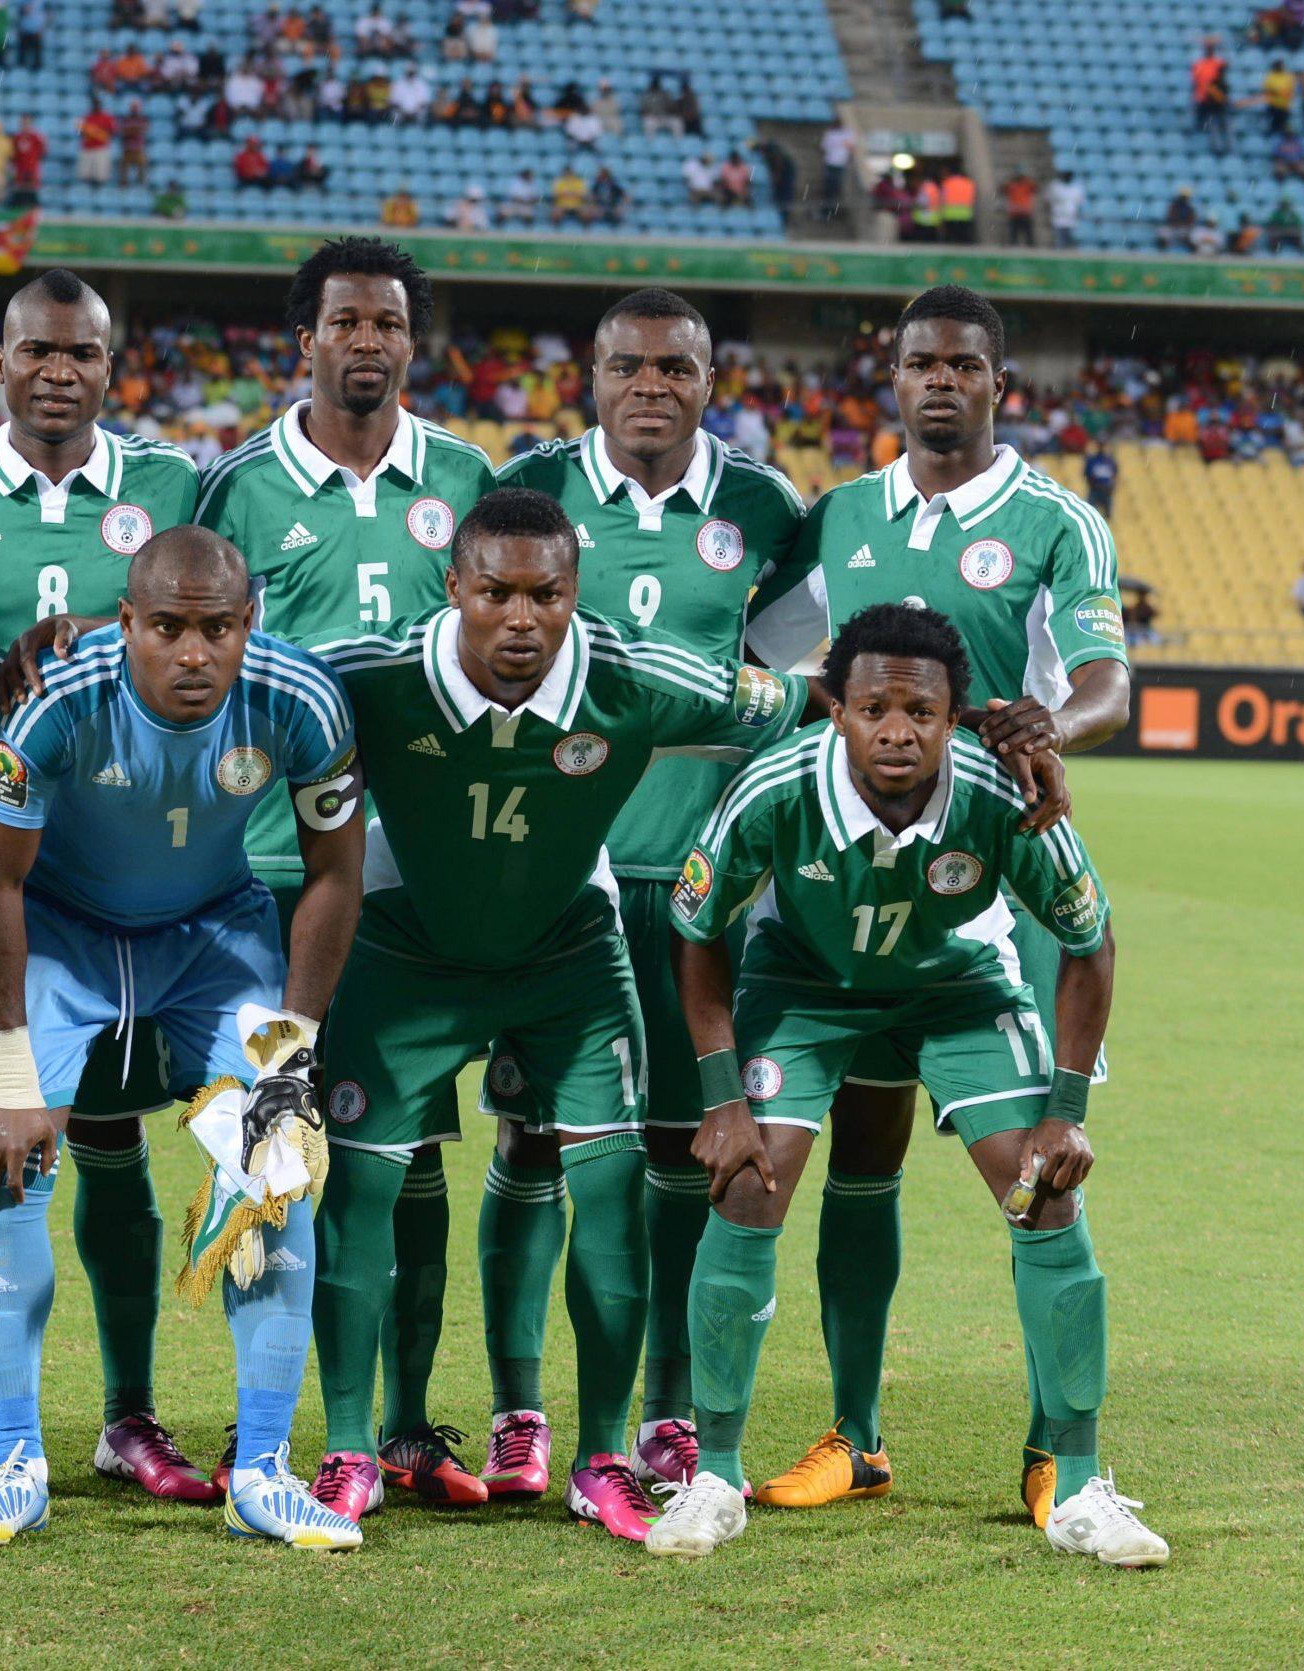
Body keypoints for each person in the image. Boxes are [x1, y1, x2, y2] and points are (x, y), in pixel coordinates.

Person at [306, 489, 811, 1539]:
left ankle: (598, 1458)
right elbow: (237, 673)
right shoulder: (367, 671)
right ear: (453, 588)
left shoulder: (635, 676)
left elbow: (801, 701)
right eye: (495, 592)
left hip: (569, 961)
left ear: (576, 595)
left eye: (547, 595)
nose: (521, 618)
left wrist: (970, 715)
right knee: (354, 1198)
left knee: (613, 1190)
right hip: (406, 953)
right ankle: (348, 1446)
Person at [643, 603, 1163, 1572]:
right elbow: (697, 927)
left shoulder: (1003, 793)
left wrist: (1066, 1111)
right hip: (801, 982)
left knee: (1048, 1196)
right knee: (751, 1184)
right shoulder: (772, 787)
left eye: (920, 712)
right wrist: (721, 1094)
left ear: (955, 717)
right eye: (872, 707)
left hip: (956, 984)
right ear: (833, 709)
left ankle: (1082, 1484)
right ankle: (711, 1476)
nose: (895, 730)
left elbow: (1090, 945)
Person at [743, 285, 1128, 1524]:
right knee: (860, 1163)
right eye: (920, 362)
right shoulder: (841, 515)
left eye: (965, 363)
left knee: (1034, 1177)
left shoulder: (1056, 523)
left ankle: (1050, 1452)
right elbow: (758, 645)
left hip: (989, 888)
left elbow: (1110, 680)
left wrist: (1048, 725)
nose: (941, 381)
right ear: (891, 380)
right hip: (847, 897)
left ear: (999, 385)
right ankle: (853, 1436)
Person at [0, 527, 369, 1549]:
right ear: (126, 624)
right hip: (60, 935)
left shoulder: (299, 699)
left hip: (215, 938)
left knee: (278, 1166)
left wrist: (293, 1053)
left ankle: (263, 1470)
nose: (194, 653)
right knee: (10, 1165)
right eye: (169, 628)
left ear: (247, 625)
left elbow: (333, 876)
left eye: (217, 629)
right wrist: (10, 1072)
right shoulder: (55, 702)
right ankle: (15, 1462)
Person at [478, 290, 807, 1508]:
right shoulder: (527, 490)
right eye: (629, 365)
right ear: (592, 376)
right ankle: (519, 1410)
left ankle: (666, 1410)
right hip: (559, 882)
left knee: (684, 1149)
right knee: (531, 1145)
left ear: (710, 380)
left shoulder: (766, 509)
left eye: (677, 367)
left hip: (702, 890)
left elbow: (797, 685)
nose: (652, 386)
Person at [0, 269, 215, 1499]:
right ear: (0, 359)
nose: (59, 371)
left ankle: (125, 1414)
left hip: (111, 871)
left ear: (109, 364)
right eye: (38, 349)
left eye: (82, 352)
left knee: (111, 1134)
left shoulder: (172, 487)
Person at [185, 239, 495, 1512]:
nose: (368, 342)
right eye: (346, 322)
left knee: (405, 1152)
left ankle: (407, 1425)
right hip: (272, 871)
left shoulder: (470, 477)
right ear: (302, 339)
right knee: (266, 1157)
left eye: (390, 324)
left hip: (419, 873)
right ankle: (269, 1433)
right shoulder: (239, 488)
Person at [1046, 169, 1083, 247]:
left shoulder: (1076, 189)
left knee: (1070, 239)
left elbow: (1079, 204)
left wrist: (1078, 214)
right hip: (1058, 216)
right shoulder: (1055, 186)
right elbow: (1048, 200)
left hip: (1071, 217)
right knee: (1059, 239)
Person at [1083, 444, 1118, 520]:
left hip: (1106, 490)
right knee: (1090, 513)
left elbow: (1115, 474)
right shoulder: (1092, 460)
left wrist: (1112, 486)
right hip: (1094, 489)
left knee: (1108, 515)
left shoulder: (1110, 461)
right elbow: (1086, 474)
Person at [1002, 169, 1036, 245]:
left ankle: (1031, 247)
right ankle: (1013, 246)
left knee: (1028, 233)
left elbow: (1036, 187)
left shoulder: (1027, 184)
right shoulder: (1011, 184)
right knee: (1014, 233)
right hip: (1015, 212)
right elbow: (1002, 189)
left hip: (1025, 212)